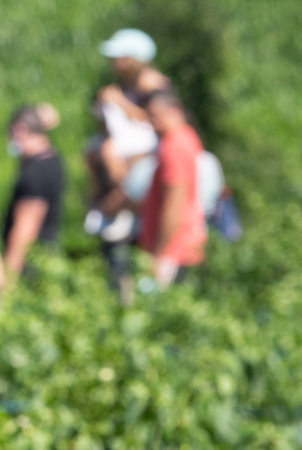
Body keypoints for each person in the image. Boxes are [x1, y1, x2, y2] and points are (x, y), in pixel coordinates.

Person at [85, 29, 171, 242]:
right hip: (131, 142)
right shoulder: (126, 82)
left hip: (149, 144)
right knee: (92, 149)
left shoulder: (150, 82)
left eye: (120, 57)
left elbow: (157, 117)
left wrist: (119, 103)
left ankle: (122, 200)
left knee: (108, 150)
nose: (114, 62)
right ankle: (105, 199)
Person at [138, 87, 209, 286]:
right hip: (186, 244)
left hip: (174, 250)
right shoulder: (187, 136)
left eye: (156, 116)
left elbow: (175, 203)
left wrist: (160, 254)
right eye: (150, 117)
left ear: (175, 110)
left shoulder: (173, 145)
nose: (153, 123)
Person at [1, 103, 66, 278]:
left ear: (19, 130)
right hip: (47, 259)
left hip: (30, 269)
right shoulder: (53, 160)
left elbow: (25, 230)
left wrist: (8, 278)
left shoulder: (34, 173)